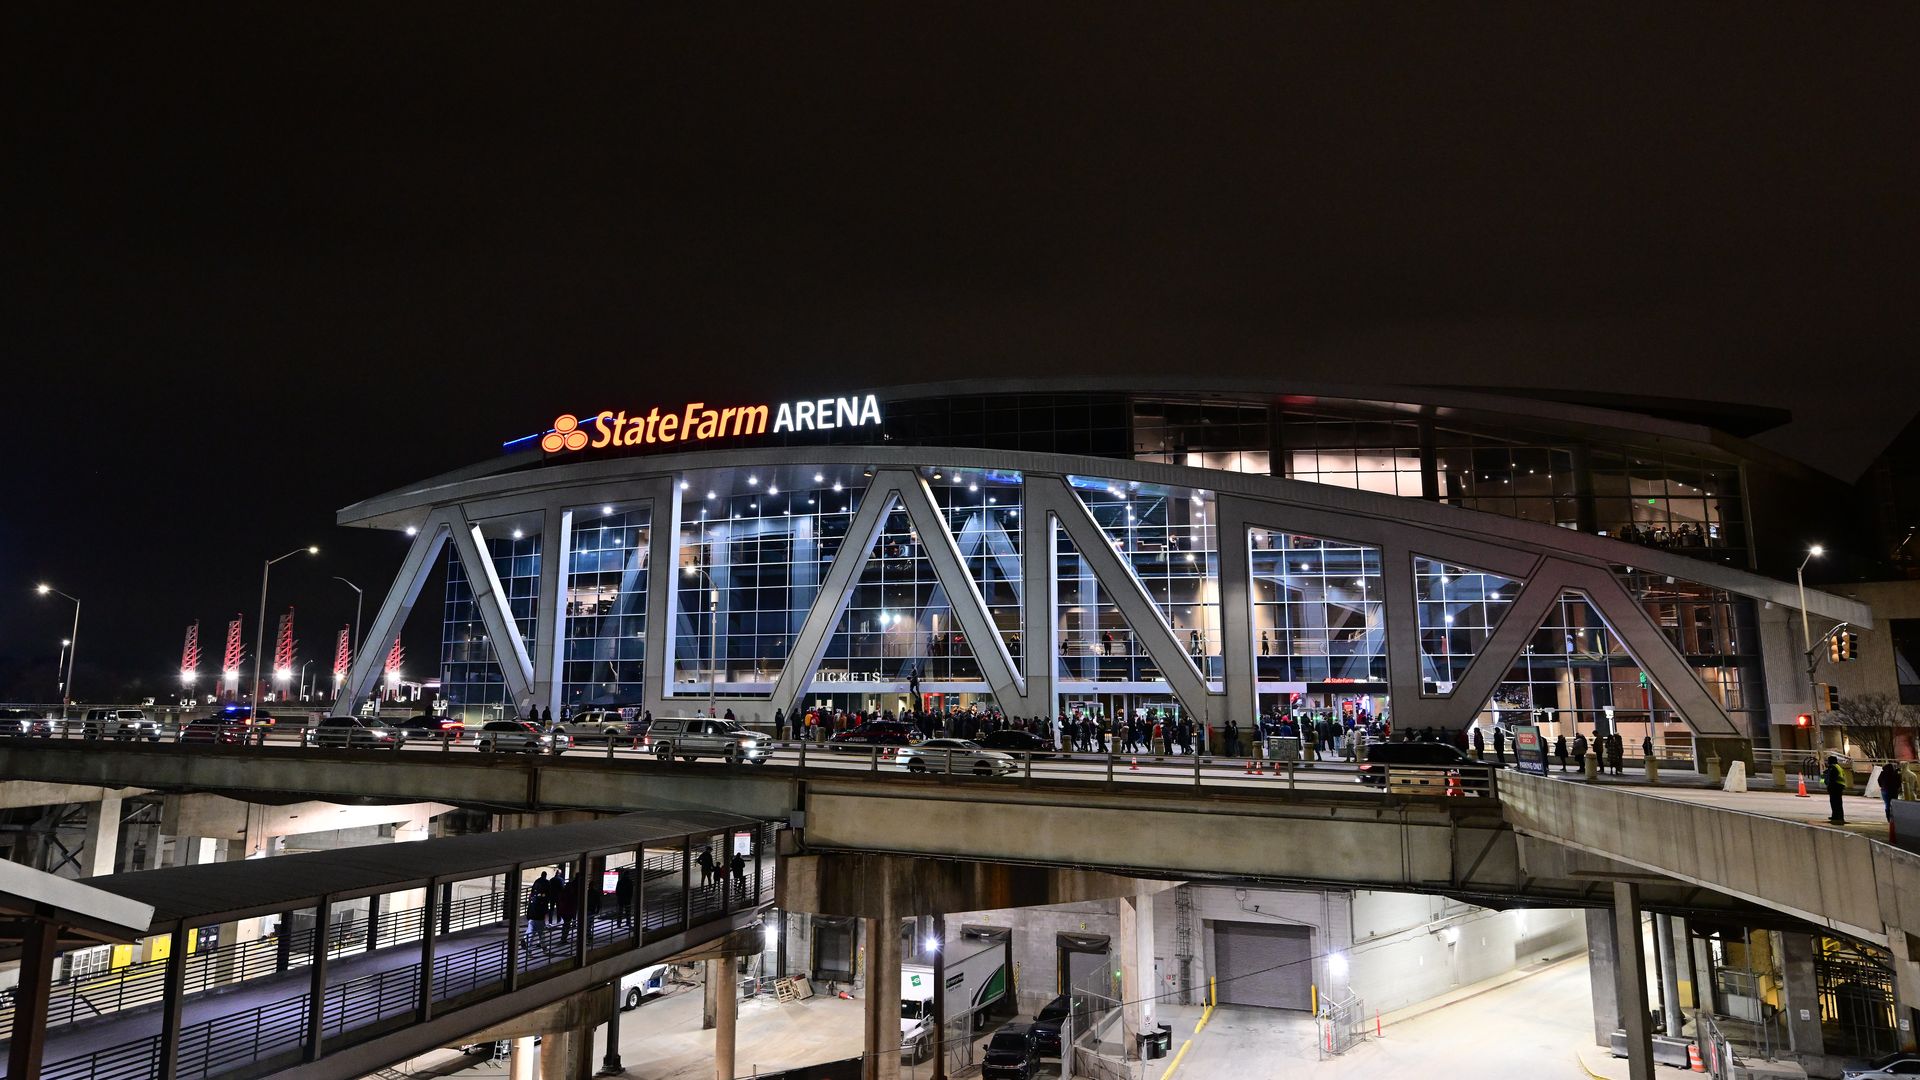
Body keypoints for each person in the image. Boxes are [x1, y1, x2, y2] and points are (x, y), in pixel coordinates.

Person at [1823, 755, 1847, 826]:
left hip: (1835, 787)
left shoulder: (1832, 767)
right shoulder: (1838, 767)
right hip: (1839, 786)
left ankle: (1836, 816)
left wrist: (1829, 785)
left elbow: (1832, 778)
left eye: (1828, 760)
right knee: (1838, 803)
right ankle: (1838, 816)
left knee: (1834, 802)